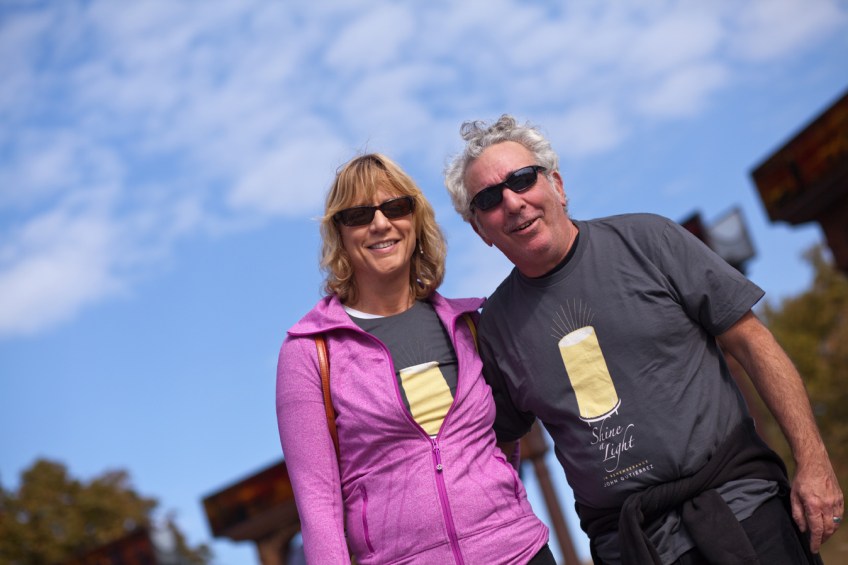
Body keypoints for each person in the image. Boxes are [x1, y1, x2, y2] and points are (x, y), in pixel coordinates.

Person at [443, 115, 844, 565]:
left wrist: (814, 462)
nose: (513, 202)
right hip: (631, 547)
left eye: (522, 179)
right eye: (489, 199)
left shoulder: (648, 240)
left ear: (556, 184)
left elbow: (752, 340)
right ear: (480, 229)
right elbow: (490, 446)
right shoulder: (495, 329)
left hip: (744, 511)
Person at [276, 153, 554, 564]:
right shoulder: (309, 352)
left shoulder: (470, 325)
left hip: (520, 552)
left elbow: (505, 443)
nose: (380, 224)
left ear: (416, 219)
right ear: (340, 233)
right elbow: (318, 504)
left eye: (395, 207)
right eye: (358, 215)